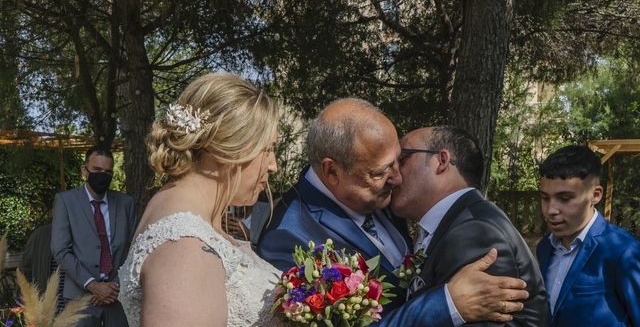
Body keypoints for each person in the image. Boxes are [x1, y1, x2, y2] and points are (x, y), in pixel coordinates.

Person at [258, 99, 529, 325]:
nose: (398, 179)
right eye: (380, 172)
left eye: (398, 161)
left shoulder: (382, 198)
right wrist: (446, 305)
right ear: (331, 171)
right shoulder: (287, 238)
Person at [118, 72, 284, 327]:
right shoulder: (184, 246)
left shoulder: (184, 213)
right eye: (267, 149)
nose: (273, 166)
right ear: (224, 149)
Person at [391, 125, 548, 326]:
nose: (393, 174)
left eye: (403, 159)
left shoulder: (475, 232)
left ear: (441, 161)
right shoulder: (458, 222)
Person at [537, 145, 640, 326]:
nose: (551, 210)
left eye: (565, 198)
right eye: (545, 197)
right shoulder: (544, 247)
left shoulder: (623, 251)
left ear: (595, 195)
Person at [51, 147, 137, 327]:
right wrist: (93, 285)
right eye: (97, 170)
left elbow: (134, 250)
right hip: (79, 298)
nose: (102, 175)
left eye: (107, 172)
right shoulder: (66, 201)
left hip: (116, 297)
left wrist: (113, 287)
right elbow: (60, 250)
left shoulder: (126, 204)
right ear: (85, 170)